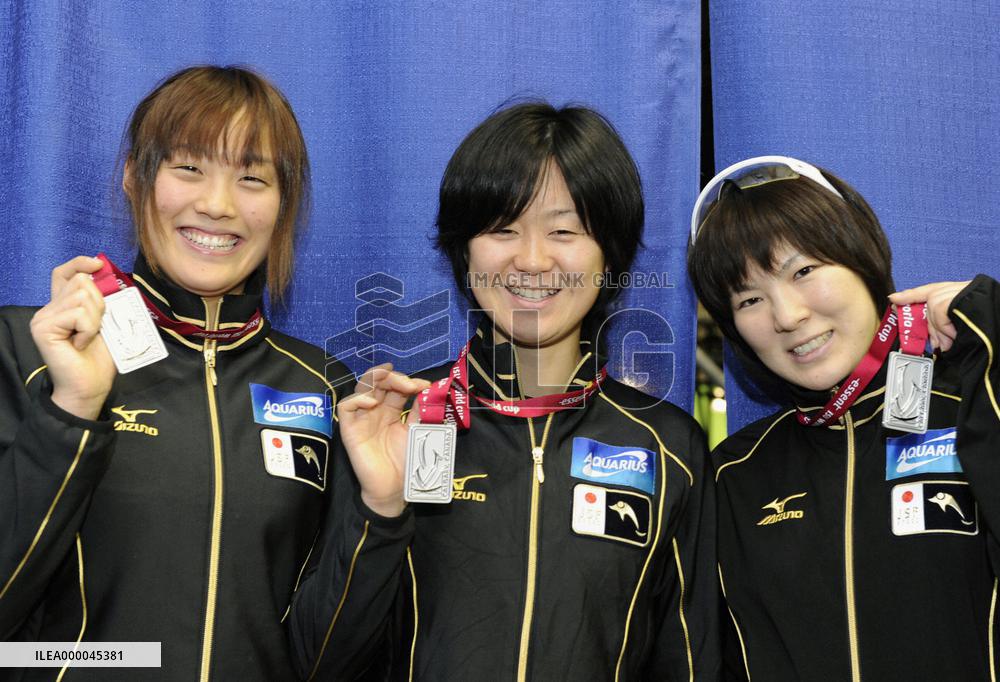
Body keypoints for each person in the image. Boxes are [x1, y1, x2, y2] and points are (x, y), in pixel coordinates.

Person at [290, 102, 718, 680]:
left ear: (609, 254)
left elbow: (688, 662)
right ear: (463, 252)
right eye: (503, 229)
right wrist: (381, 510)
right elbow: (316, 663)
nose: (532, 260)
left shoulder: (669, 447)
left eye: (564, 230)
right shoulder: (401, 422)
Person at [0, 66, 355, 680]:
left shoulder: (322, 387)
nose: (218, 205)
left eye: (252, 178)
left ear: (284, 206)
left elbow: (327, 648)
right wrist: (72, 409)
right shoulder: (25, 350)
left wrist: (381, 516)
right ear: (134, 178)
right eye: (189, 168)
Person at [687, 155, 1000, 680]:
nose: (787, 316)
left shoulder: (973, 410)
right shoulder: (734, 473)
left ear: (862, 259)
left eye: (804, 271)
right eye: (749, 299)